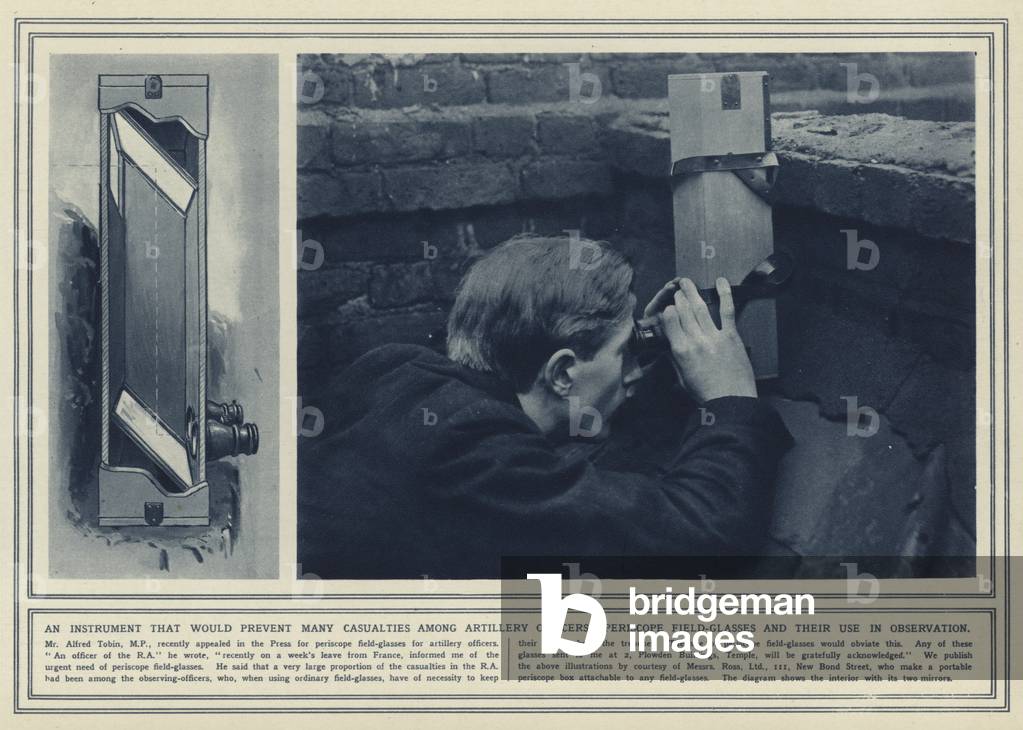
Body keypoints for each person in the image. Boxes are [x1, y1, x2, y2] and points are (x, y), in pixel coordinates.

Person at [298, 234, 793, 579]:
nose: (633, 369)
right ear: (560, 373)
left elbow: (587, 475)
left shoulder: (394, 372)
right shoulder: (477, 459)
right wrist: (730, 397)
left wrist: (639, 358)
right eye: (625, 352)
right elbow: (701, 538)